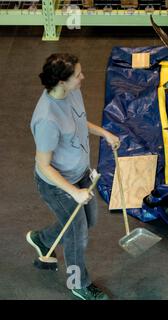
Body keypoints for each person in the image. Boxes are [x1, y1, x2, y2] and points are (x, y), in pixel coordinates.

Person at [27, 53, 119, 300]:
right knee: (77, 234)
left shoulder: (71, 92)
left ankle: (43, 239)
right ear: (61, 82)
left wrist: (104, 133)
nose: (83, 77)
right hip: (57, 185)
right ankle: (78, 283)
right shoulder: (46, 119)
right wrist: (73, 191)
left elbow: (78, 122)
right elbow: (44, 165)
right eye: (77, 75)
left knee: (88, 220)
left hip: (80, 173)